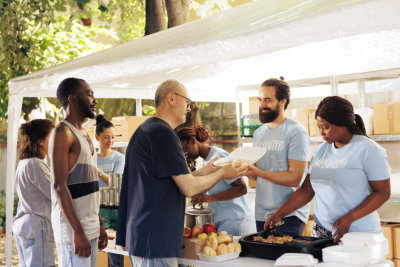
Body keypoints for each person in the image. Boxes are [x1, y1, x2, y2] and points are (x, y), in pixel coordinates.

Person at [116, 79, 247, 267]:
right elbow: (189, 188)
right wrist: (223, 173)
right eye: (187, 102)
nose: (189, 108)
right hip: (155, 241)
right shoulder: (163, 133)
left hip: (146, 238)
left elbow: (176, 180)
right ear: (171, 98)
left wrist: (209, 169)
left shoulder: (146, 130)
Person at [265, 96, 391, 242]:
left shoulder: (369, 150)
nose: (322, 132)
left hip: (358, 232)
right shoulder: (321, 151)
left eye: (326, 127)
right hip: (322, 232)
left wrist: (350, 217)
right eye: (319, 127)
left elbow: (382, 192)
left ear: (343, 123)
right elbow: (306, 190)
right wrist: (279, 214)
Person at [49, 77, 108, 267]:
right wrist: (78, 232)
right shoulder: (62, 133)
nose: (95, 100)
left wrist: (99, 223)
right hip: (73, 232)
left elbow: (90, 185)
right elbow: (59, 186)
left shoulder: (84, 133)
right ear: (72, 99)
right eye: (89, 94)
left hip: (89, 227)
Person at [245, 77, 310, 235]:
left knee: (284, 259)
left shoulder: (296, 132)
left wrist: (259, 173)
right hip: (261, 214)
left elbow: (295, 177)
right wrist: (245, 169)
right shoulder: (259, 133)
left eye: (267, 100)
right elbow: (258, 176)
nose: (261, 105)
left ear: (282, 101)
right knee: (264, 259)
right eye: (260, 100)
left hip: (289, 216)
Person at [175, 124, 256, 236]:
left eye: (185, 149)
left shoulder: (219, 156)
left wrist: (210, 198)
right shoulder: (206, 161)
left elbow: (242, 188)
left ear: (192, 141)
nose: (186, 154)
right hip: (223, 219)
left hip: (236, 220)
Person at [13, 119, 55, 267]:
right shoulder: (36, 164)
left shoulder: (24, 163)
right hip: (37, 228)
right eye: (52, 137)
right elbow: (56, 194)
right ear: (41, 141)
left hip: (25, 228)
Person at [95, 114, 125, 267]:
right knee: (96, 252)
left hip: (114, 211)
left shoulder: (119, 158)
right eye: (106, 137)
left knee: (115, 255)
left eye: (113, 137)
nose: (110, 141)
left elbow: (116, 182)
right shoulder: (92, 158)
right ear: (97, 137)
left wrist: (97, 172)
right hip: (96, 210)